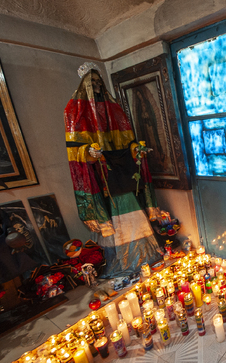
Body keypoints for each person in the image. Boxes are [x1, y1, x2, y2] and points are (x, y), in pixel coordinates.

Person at [64, 62, 162, 278]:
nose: (97, 86)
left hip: (123, 171)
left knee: (133, 212)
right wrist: (90, 152)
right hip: (100, 175)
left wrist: (138, 150)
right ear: (84, 85)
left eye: (99, 81)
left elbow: (129, 142)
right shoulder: (74, 111)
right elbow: (74, 152)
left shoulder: (114, 108)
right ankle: (123, 262)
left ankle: (144, 257)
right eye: (92, 82)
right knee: (113, 220)